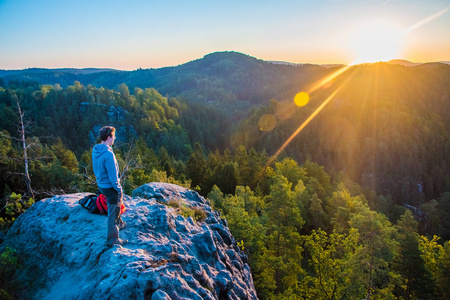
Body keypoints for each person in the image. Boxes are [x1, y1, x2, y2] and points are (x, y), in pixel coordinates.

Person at [92, 126, 127, 247]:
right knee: (113, 211)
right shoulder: (108, 154)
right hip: (110, 187)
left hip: (101, 185)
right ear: (108, 138)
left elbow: (95, 168)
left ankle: (120, 223)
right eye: (113, 136)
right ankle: (113, 240)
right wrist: (118, 188)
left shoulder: (96, 150)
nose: (115, 138)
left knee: (113, 208)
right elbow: (113, 176)